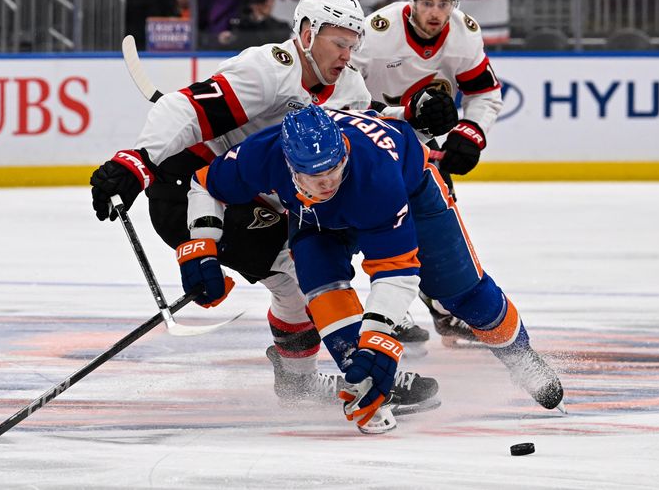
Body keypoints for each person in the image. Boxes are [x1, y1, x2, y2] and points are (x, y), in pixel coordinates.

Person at [90, 0, 446, 412]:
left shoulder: (348, 83)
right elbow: (184, 110)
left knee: (297, 277)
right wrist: (138, 161)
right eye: (339, 43)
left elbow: (362, 131)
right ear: (308, 33)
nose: (347, 55)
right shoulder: (268, 69)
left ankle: (299, 382)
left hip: (249, 194)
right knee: (298, 272)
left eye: (352, 45)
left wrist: (412, 116)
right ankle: (355, 369)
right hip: (190, 191)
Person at [181, 104, 565, 433]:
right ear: (288, 166)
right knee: (320, 285)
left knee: (460, 291)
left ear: (344, 151)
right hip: (316, 221)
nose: (328, 182)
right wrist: (202, 246)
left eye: (334, 169)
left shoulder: (375, 178)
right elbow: (205, 185)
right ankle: (364, 378)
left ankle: (521, 356)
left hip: (412, 194)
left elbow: (396, 272)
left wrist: (381, 341)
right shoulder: (262, 153)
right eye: (315, 176)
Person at [351, 0, 503, 346]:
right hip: (370, 135)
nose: (435, 13)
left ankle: (441, 308)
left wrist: (471, 132)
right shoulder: (377, 32)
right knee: (370, 225)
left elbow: (484, 92)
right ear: (411, 0)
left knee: (436, 225)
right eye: (426, 3)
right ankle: (391, 311)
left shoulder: (464, 35)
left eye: (444, 3)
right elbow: (341, 85)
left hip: (424, 142)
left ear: (455, 1)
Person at [218, 0, 292, 50]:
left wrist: (261, 20)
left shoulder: (281, 27)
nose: (268, 3)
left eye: (271, 0)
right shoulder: (241, 25)